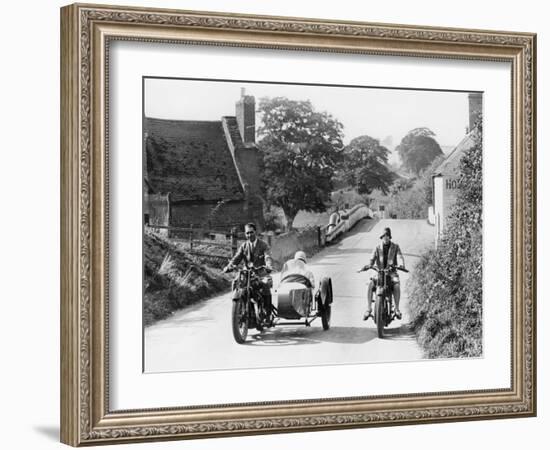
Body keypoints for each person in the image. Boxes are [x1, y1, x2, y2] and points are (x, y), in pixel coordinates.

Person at [223, 223, 274, 312]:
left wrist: (268, 265)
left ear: (255, 232)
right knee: (235, 282)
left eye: (251, 232)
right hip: (247, 273)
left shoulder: (263, 245)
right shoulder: (244, 246)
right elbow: (237, 258)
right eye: (247, 233)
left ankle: (267, 311)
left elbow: (267, 256)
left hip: (260, 272)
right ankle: (238, 306)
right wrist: (229, 266)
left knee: (265, 284)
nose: (249, 235)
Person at [361, 227, 406, 320]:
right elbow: (372, 258)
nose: (385, 238)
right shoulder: (377, 248)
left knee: (396, 285)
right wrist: (369, 264)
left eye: (387, 236)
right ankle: (368, 308)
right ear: (381, 237)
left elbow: (400, 256)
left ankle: (397, 309)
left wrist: (401, 265)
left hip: (391, 272)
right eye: (384, 236)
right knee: (370, 284)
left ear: (390, 237)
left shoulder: (395, 247)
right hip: (380, 272)